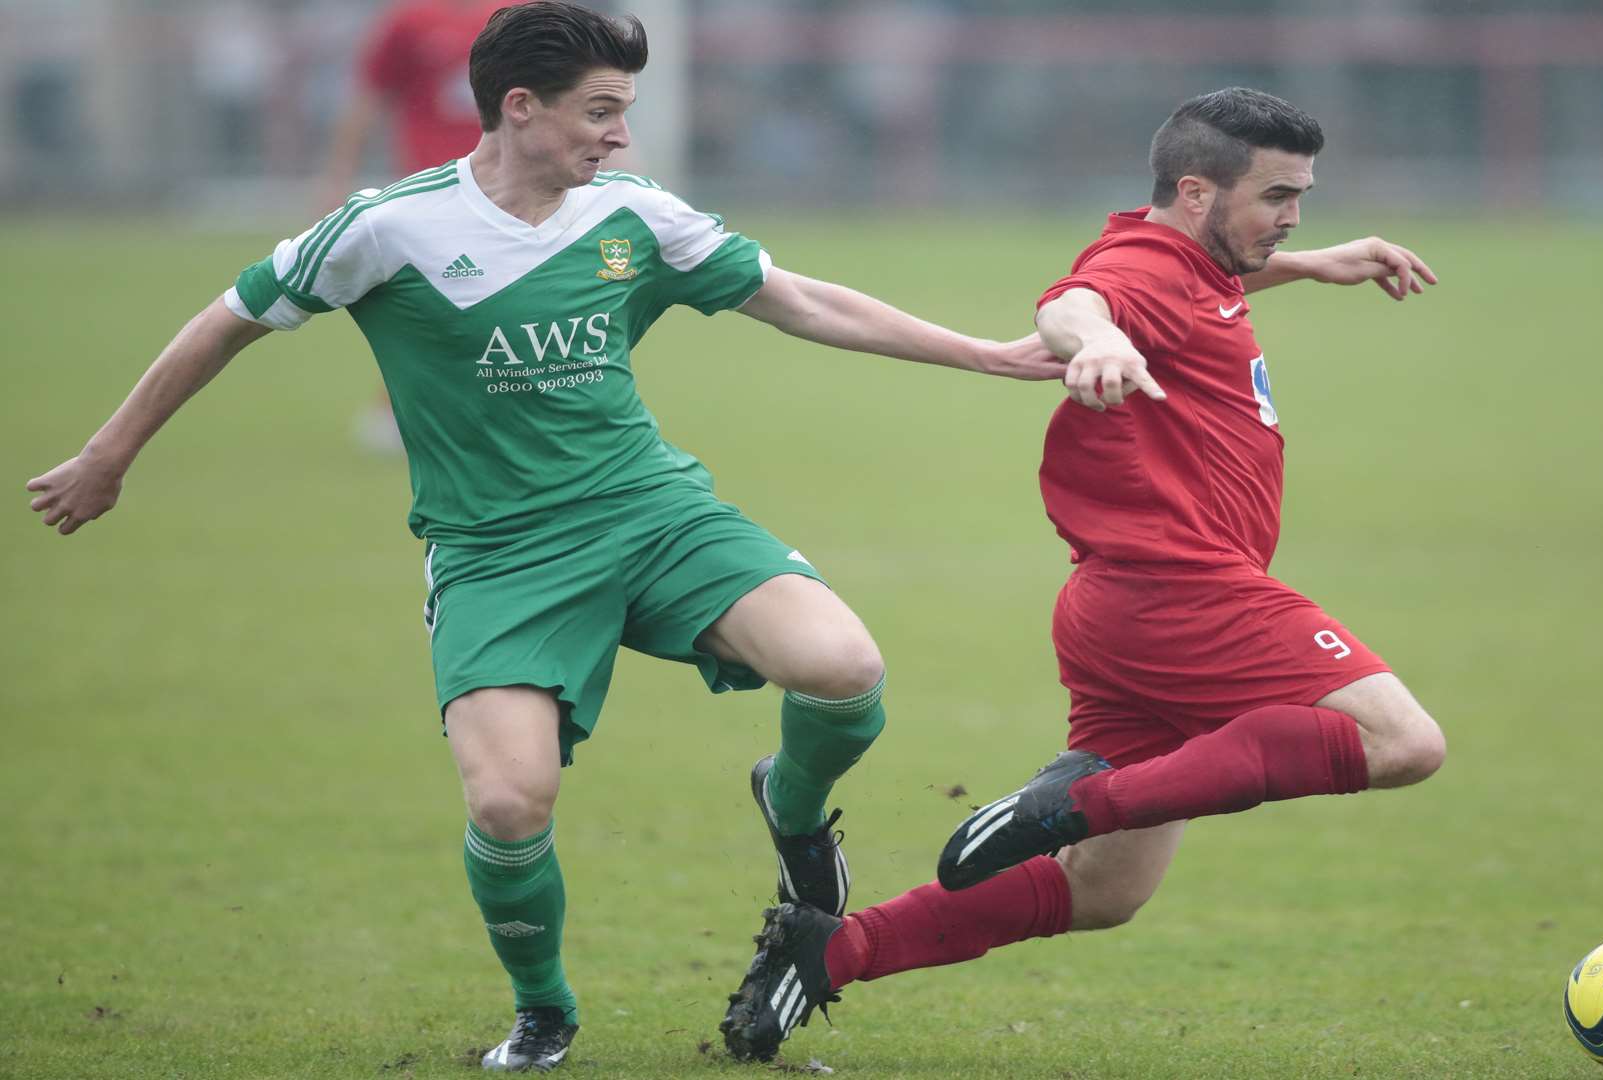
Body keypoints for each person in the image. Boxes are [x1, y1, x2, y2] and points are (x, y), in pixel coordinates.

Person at [24, 3, 1058, 1072]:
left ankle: (790, 814)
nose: (618, 134)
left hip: (649, 514)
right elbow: (231, 315)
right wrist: (110, 454)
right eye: (599, 112)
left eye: (624, 112)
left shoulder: (635, 213)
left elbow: (801, 300)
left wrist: (984, 354)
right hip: (498, 554)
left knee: (845, 669)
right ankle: (544, 1010)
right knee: (510, 802)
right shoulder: (388, 227)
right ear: (519, 109)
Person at [718, 87, 1445, 1063]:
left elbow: (1192, 294)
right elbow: (1078, 302)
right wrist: (1096, 341)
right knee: (1402, 742)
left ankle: (827, 951)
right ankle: (1077, 797)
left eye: (1302, 197)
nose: (1293, 216)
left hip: (1123, 608)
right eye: (1277, 197)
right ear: (1196, 191)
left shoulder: (1195, 263)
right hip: (1186, 596)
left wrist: (1316, 266)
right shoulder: (1142, 264)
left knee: (1105, 891)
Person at [319, 0, 513, 454]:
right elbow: (369, 95)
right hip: (432, 182)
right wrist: (337, 175)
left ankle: (416, 409)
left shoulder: (519, 13)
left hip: (508, 181)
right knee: (443, 297)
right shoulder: (410, 20)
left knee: (496, 295)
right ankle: (400, 408)